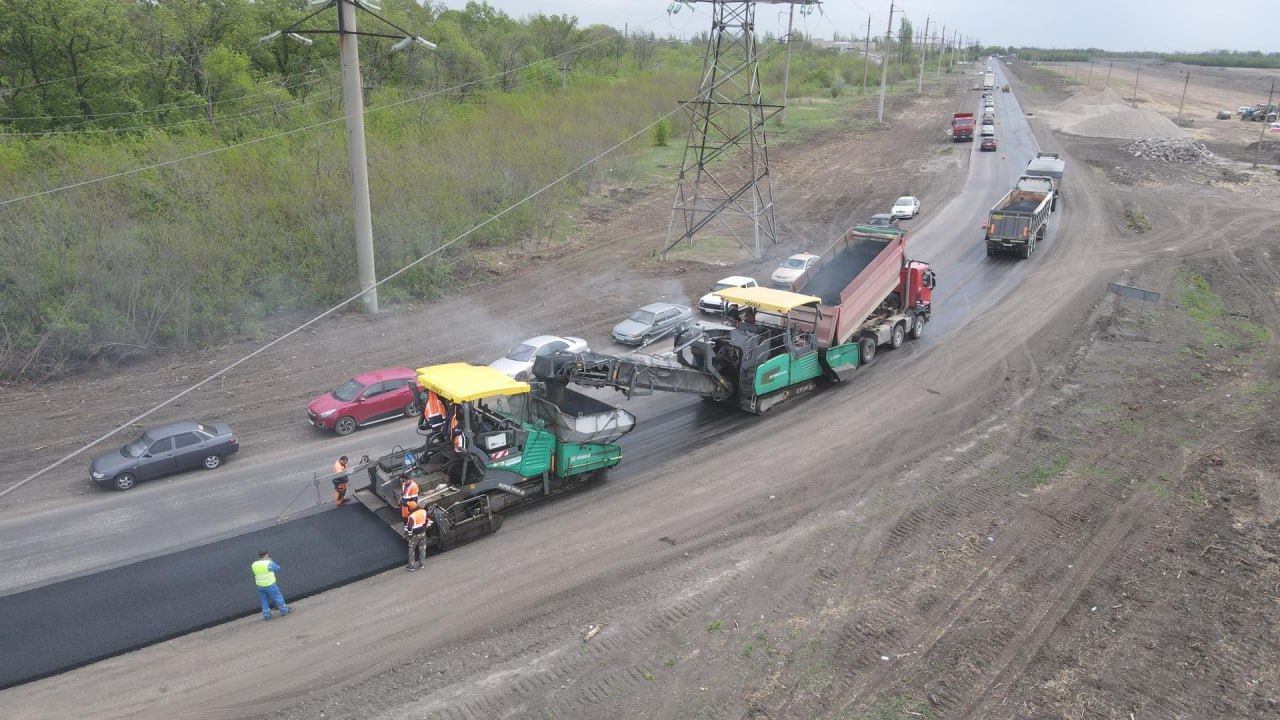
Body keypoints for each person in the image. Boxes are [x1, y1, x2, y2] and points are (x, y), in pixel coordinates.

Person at [252, 550, 290, 619]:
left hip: (260, 586)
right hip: (270, 584)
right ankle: (285, 611)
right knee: (278, 597)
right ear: (266, 555)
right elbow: (277, 568)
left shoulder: (254, 564)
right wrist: (271, 561)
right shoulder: (269, 563)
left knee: (264, 600)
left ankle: (267, 615)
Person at [404, 506, 433, 571]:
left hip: (415, 535)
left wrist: (410, 535)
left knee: (411, 549)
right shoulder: (423, 511)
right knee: (422, 548)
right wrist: (426, 527)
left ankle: (411, 566)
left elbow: (409, 527)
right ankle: (421, 564)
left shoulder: (412, 516)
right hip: (423, 533)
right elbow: (430, 519)